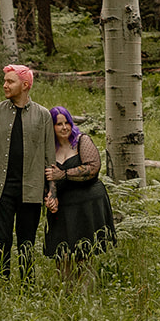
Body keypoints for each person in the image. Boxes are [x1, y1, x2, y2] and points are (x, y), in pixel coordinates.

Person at [0, 64, 55, 278]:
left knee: (26, 240)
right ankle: (1, 282)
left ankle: (27, 285)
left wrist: (51, 189)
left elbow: (50, 156)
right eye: (5, 81)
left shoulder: (43, 115)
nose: (5, 85)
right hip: (0, 188)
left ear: (25, 85)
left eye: (10, 81)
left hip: (31, 189)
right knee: (1, 240)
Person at [41, 105, 115, 276]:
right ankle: (66, 291)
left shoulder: (82, 141)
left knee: (84, 251)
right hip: (64, 206)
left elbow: (93, 168)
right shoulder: (48, 149)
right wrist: (50, 197)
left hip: (87, 202)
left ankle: (85, 292)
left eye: (67, 122)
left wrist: (64, 174)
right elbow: (47, 176)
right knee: (62, 252)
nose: (64, 127)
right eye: (59, 124)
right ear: (51, 126)